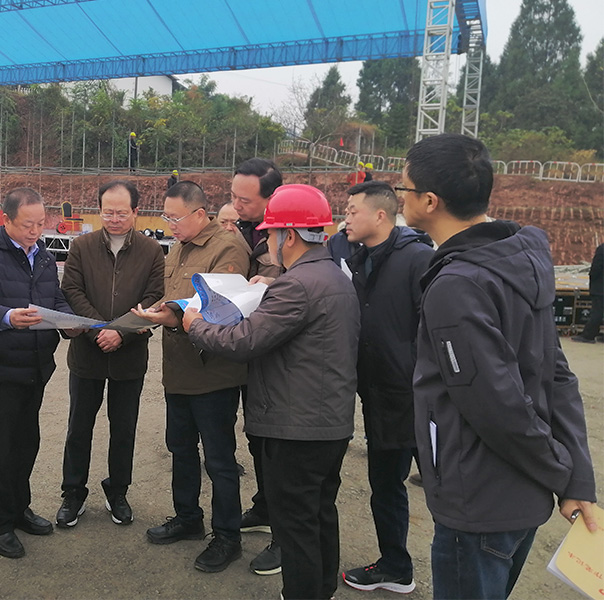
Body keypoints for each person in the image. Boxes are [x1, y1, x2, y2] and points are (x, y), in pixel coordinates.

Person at [401, 133, 597, 599]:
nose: (399, 197)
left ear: (429, 201)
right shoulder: (519, 257)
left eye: (402, 188)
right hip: (519, 496)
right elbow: (557, 374)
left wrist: (559, 471)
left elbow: (496, 406)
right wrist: (576, 476)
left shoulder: (456, 285)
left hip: (479, 499)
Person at [183, 184, 359, 600]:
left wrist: (196, 325)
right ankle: (320, 590)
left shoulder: (296, 286)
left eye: (272, 234)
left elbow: (244, 341)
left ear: (290, 235)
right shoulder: (334, 277)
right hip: (329, 422)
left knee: (295, 524)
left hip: (296, 427)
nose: (268, 242)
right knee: (319, 514)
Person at [132, 181, 250, 574]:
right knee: (180, 449)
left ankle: (227, 536)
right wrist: (151, 312)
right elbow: (173, 297)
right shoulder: (179, 247)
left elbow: (220, 310)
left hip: (213, 373)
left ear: (200, 214)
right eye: (166, 217)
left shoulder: (227, 249)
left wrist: (167, 316)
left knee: (219, 459)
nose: (170, 225)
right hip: (178, 371)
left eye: (175, 218)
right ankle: (187, 517)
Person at [338, 181, 433, 595]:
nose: (346, 218)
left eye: (352, 211)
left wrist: (414, 373)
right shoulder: (360, 257)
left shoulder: (418, 259)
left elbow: (434, 326)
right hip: (378, 393)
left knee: (441, 490)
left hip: (416, 396)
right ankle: (396, 565)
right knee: (386, 485)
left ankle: (461, 576)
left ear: (380, 215)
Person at [0, 187, 77, 559]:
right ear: (6, 220)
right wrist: (6, 317)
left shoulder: (45, 257)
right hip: (0, 369)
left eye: (40, 224)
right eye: (26, 225)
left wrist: (71, 322)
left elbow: (56, 300)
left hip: (35, 368)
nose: (35, 231)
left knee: (25, 445)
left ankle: (20, 509)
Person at [56, 180, 165, 528]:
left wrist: (121, 332)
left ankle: (118, 491)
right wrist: (98, 329)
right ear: (99, 210)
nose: (114, 219)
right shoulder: (82, 246)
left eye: (121, 213)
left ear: (135, 212)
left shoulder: (151, 250)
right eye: (108, 212)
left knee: (124, 429)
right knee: (78, 427)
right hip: (87, 355)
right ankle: (73, 492)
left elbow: (154, 297)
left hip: (129, 356)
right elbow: (71, 290)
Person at [229, 157, 283, 576]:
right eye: (233, 196)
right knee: (256, 437)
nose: (236, 205)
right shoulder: (238, 228)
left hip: (280, 360)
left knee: (280, 447)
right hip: (247, 353)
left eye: (244, 200)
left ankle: (285, 535)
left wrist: (272, 284)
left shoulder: (287, 239)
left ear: (271, 200)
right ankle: (264, 506)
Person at [572, 243, 603, 343]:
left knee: (597, 312)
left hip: (600, 287)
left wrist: (592, 277)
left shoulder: (602, 249)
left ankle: (589, 335)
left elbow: (596, 267)